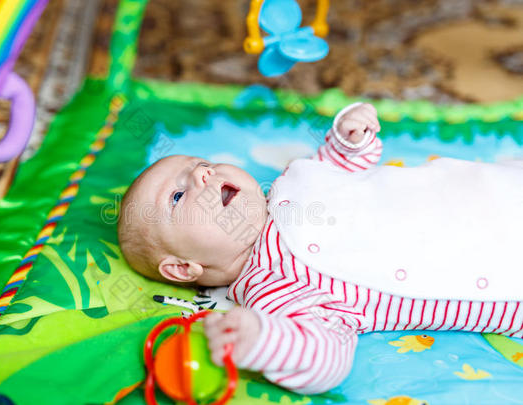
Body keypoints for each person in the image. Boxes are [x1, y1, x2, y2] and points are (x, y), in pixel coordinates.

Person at [117, 103, 523, 394]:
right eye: (176, 196)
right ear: (183, 269)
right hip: (503, 277)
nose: (203, 173)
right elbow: (326, 359)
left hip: (491, 189)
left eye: (197, 163)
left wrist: (349, 140)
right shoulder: (273, 292)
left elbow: (340, 169)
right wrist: (262, 340)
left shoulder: (291, 183)